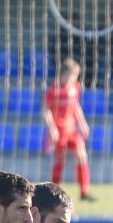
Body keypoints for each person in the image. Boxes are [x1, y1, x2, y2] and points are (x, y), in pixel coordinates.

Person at [44, 58, 96, 203]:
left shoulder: (74, 87)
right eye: (73, 75)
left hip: (71, 129)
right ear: (65, 74)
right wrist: (52, 128)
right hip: (59, 129)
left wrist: (82, 122)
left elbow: (75, 106)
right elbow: (46, 110)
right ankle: (53, 192)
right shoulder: (53, 90)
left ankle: (84, 192)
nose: (74, 78)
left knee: (81, 155)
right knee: (61, 159)